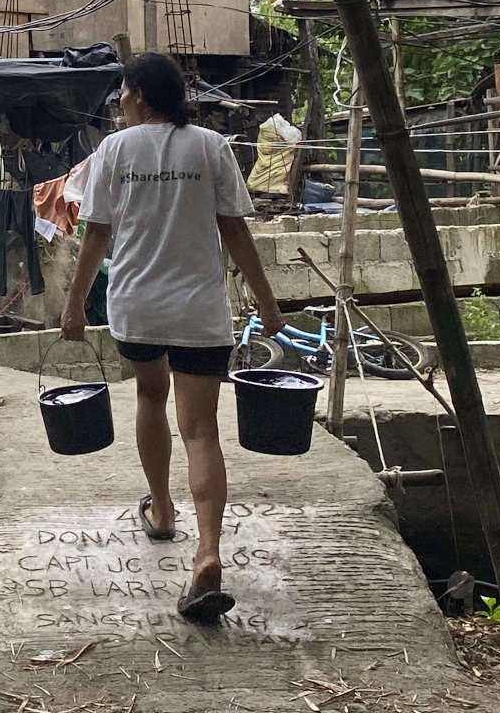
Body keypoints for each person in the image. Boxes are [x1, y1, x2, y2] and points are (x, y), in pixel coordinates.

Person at [60, 52, 286, 624]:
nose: (119, 102)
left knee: (148, 398)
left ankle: (161, 511)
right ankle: (207, 553)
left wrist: (73, 305)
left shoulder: (114, 150)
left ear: (138, 94)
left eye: (122, 93)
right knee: (202, 429)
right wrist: (266, 298)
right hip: (199, 310)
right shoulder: (211, 146)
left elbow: (96, 235)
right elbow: (234, 229)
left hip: (138, 305)